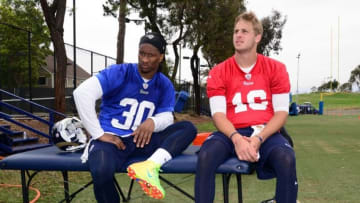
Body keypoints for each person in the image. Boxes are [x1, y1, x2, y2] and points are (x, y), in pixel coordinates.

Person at [73, 32, 197, 202]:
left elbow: (167, 117)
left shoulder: (164, 83)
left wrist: (152, 122)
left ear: (160, 57)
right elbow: (82, 93)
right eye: (142, 53)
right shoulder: (120, 72)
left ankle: (149, 167)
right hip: (113, 141)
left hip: (143, 140)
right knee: (101, 170)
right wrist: (98, 134)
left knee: (187, 128)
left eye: (151, 55)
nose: (145, 59)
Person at [195, 12, 298, 203]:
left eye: (244, 31)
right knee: (206, 155)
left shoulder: (276, 68)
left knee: (286, 157)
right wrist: (236, 139)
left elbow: (281, 113)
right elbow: (218, 115)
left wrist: (258, 138)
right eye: (236, 31)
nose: (238, 35)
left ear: (257, 37)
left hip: (264, 130)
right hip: (230, 131)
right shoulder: (219, 71)